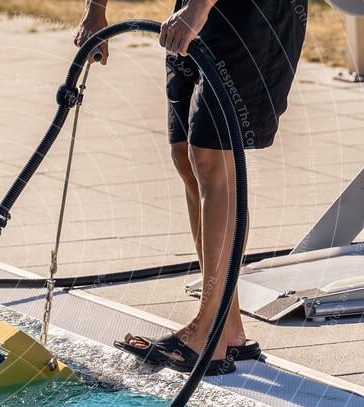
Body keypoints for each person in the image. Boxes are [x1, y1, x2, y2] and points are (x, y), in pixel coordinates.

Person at [75, 0, 307, 375]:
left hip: (254, 17)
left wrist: (199, 7)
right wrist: (96, 9)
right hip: (198, 11)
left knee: (212, 158)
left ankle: (207, 333)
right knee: (185, 155)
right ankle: (228, 328)